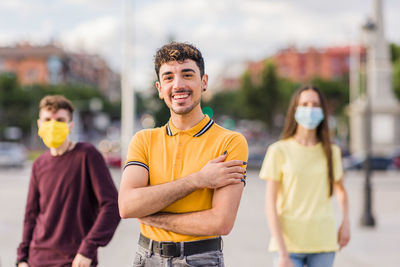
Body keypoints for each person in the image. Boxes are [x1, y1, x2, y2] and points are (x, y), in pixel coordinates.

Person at [118, 42, 248, 267]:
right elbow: (127, 206)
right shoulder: (144, 140)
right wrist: (199, 180)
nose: (178, 84)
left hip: (200, 259)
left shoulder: (230, 142)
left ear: (203, 82)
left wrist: (152, 217)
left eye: (187, 74)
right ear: (160, 88)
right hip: (146, 258)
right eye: (168, 77)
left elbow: (221, 222)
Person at [16, 95, 120, 267]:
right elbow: (31, 215)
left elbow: (112, 206)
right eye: (47, 120)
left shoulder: (87, 155)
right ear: (39, 125)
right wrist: (22, 259)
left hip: (75, 261)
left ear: (70, 126)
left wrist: (88, 248)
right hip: (36, 260)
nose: (53, 125)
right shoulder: (39, 164)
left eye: (60, 120)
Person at [259, 85, 350, 267]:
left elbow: (341, 191)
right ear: (295, 110)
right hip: (288, 245)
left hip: (323, 242)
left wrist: (345, 223)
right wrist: (282, 253)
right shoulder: (278, 151)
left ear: (323, 111)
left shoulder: (332, 152)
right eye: (305, 104)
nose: (310, 109)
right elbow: (270, 205)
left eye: (315, 104)